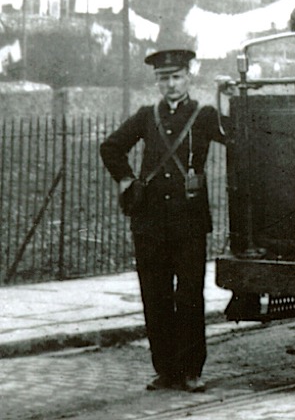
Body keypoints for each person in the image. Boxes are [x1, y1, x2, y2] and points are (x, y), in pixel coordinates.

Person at [100, 48, 226, 393]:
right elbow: (110, 147)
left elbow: (236, 138)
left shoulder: (204, 115)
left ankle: (190, 371)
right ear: (157, 82)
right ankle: (165, 370)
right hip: (150, 223)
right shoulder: (146, 116)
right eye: (163, 79)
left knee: (189, 297)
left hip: (189, 223)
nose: (170, 85)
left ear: (189, 77)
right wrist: (126, 179)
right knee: (155, 296)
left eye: (176, 77)